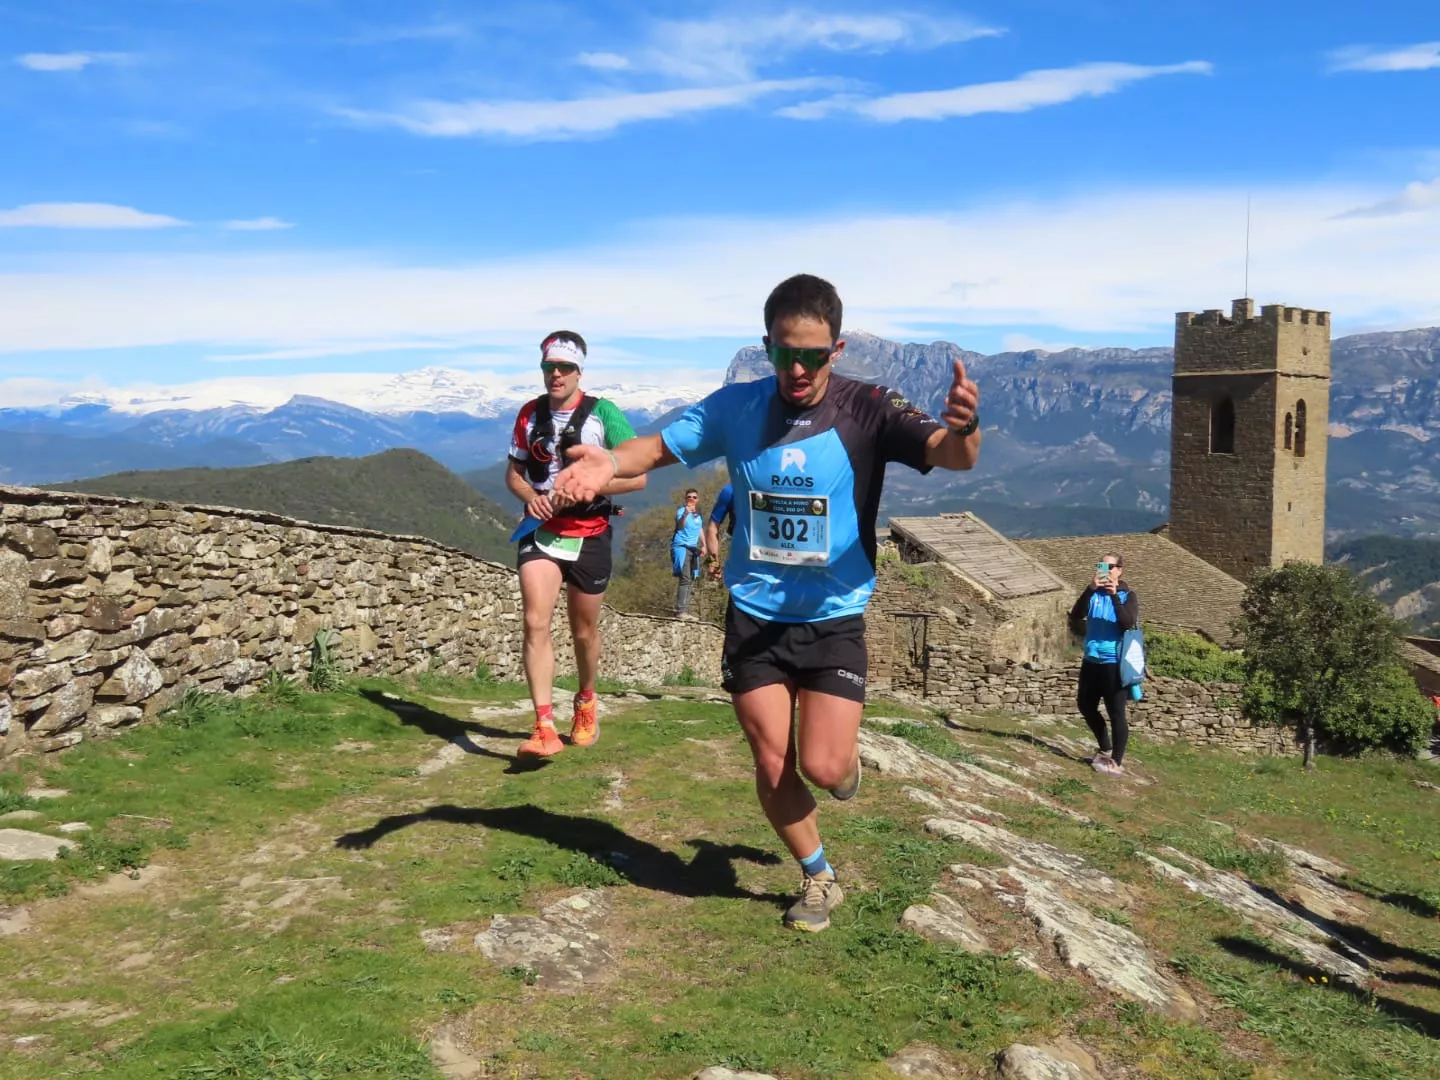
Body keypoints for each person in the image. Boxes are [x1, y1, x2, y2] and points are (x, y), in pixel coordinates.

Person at [552, 274, 981, 932]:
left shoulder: (868, 406)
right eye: (786, 353)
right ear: (768, 347)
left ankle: (843, 763)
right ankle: (819, 878)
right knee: (772, 758)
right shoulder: (737, 407)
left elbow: (951, 456)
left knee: (824, 764)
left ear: (835, 350)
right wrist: (609, 462)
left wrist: (966, 427)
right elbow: (658, 447)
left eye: (813, 354)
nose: (799, 368)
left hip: (833, 616)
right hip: (754, 616)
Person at [506, 330, 646, 758]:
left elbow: (639, 476)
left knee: (583, 631)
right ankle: (543, 725)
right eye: (550, 367)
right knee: (535, 621)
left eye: (565, 367)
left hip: (589, 533)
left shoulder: (605, 413)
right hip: (542, 532)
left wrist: (592, 487)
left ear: (579, 370)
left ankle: (586, 699)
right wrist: (532, 499)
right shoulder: (529, 415)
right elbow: (514, 475)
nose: (556, 375)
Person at [1067, 552, 1138, 776]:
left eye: (1111, 567)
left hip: (1113, 663)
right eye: (1102, 566)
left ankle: (1116, 760)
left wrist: (1115, 596)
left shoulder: (1128, 596)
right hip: (1091, 659)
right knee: (1085, 705)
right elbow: (1076, 615)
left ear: (1119, 570)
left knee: (1116, 712)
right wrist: (1089, 589)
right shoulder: (1094, 595)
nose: (1106, 571)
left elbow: (1128, 623)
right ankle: (1105, 746)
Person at [672, 488, 707, 619]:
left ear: (697, 499)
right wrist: (686, 514)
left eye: (694, 497)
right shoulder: (681, 512)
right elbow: (680, 526)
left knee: (692, 578)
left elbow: (700, 529)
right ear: (685, 499)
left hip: (693, 549)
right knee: (685, 578)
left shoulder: (698, 515)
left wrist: (704, 544)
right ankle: (681, 611)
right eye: (689, 497)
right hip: (681, 547)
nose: (691, 499)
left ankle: (686, 610)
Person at [704, 483, 735, 582]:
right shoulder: (730, 491)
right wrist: (713, 563)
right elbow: (712, 527)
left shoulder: (781, 489)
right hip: (740, 569)